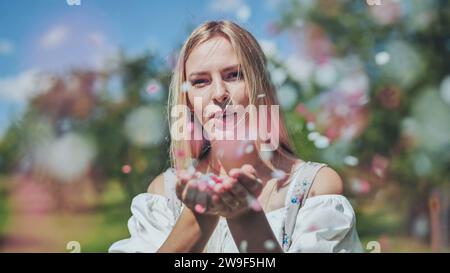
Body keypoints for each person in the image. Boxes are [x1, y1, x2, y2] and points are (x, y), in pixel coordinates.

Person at [109, 20, 363, 253]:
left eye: (234, 75)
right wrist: (198, 216)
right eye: (200, 81)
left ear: (260, 85)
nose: (219, 93)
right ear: (187, 101)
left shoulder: (313, 188)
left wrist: (244, 216)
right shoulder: (165, 193)